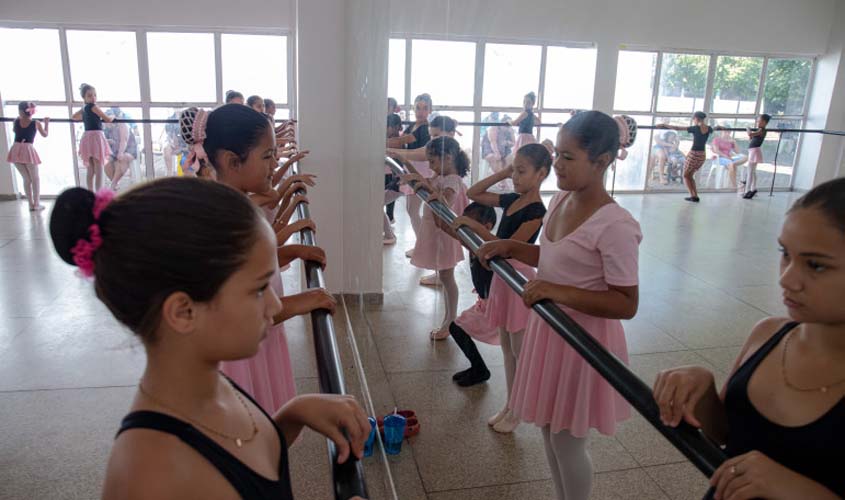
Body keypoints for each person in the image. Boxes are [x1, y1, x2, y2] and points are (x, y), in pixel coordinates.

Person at [48, 179, 369, 499]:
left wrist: (292, 415)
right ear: (184, 312)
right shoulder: (149, 478)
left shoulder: (207, 383)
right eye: (259, 289)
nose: (273, 304)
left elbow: (237, 465)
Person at [478, 111, 641, 500]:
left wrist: (557, 292)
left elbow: (626, 302)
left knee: (568, 442)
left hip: (581, 342)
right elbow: (552, 256)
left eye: (569, 157)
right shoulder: (561, 199)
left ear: (601, 162)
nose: (558, 165)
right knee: (551, 431)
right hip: (551, 330)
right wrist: (512, 247)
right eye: (559, 153)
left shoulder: (615, 224)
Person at [653, 177, 845, 499]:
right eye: (785, 254)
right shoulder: (768, 334)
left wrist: (792, 487)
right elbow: (726, 434)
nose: (787, 278)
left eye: (815, 265)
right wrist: (703, 393)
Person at [179, 104, 332, 412]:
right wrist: (304, 301)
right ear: (231, 161)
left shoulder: (235, 209)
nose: (275, 165)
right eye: (267, 157)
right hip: (239, 357)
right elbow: (242, 309)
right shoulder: (222, 222)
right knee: (253, 428)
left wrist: (294, 250)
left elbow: (252, 266)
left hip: (260, 342)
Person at [455, 143, 551, 433]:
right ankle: (511, 404)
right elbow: (474, 194)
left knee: (520, 353)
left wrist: (474, 227)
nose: (517, 177)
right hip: (502, 279)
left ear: (542, 174)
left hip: (517, 279)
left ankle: (519, 409)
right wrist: (504, 173)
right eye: (515, 170)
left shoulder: (537, 210)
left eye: (522, 171)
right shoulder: (512, 199)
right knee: (508, 350)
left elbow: (510, 249)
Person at [402, 136, 470, 340]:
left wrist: (432, 191)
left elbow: (446, 202)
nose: (430, 166)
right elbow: (426, 183)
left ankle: (450, 322)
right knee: (445, 276)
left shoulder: (453, 180)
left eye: (432, 161)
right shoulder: (441, 176)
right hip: (437, 233)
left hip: (444, 236)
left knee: (448, 278)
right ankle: (449, 320)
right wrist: (407, 166)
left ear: (448, 158)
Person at [448, 203, 497, 387]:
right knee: (457, 328)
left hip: (496, 306)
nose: (465, 228)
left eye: (471, 224)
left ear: (487, 227)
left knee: (457, 328)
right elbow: (445, 225)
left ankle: (480, 369)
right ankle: (479, 368)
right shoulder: (472, 244)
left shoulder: (490, 249)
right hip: (485, 302)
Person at [388, 93, 433, 259]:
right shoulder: (414, 125)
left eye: (424, 108)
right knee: (411, 210)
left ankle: (424, 247)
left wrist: (384, 145)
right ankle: (422, 245)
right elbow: (399, 139)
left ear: (430, 110)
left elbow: (402, 141)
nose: (420, 112)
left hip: (420, 170)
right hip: (412, 168)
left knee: (413, 211)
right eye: (418, 108)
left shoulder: (424, 128)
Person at [657, 111, 713, 202]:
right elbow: (714, 128)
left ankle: (693, 195)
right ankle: (694, 196)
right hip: (702, 155)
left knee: (686, 176)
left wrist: (664, 125)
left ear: (696, 119)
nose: (693, 120)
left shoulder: (695, 128)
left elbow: (677, 128)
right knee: (690, 175)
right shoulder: (708, 128)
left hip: (694, 154)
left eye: (693, 119)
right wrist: (720, 127)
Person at [7, 101, 49, 211]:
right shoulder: (35, 123)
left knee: (26, 179)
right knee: (35, 179)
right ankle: (36, 204)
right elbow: (45, 134)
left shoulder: (16, 121)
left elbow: (14, 130)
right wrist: (47, 123)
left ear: (20, 111)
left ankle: (30, 204)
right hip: (28, 150)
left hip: (16, 149)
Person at [72, 83, 114, 191]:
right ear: (84, 97)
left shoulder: (84, 108)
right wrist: (113, 116)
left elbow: (74, 117)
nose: (93, 98)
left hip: (87, 137)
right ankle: (98, 194)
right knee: (99, 167)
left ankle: (90, 193)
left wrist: (86, 118)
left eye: (95, 95)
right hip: (96, 137)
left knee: (90, 169)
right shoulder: (94, 107)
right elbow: (107, 119)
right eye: (90, 95)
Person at [103, 108, 138, 191]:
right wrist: (108, 141)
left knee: (122, 158)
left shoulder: (122, 124)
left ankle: (113, 184)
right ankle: (114, 182)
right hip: (113, 150)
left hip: (128, 148)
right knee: (106, 162)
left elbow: (124, 140)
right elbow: (102, 140)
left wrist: (120, 152)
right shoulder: (106, 127)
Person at [384, 113, 404, 244]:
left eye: (388, 126)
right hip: (397, 184)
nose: (386, 129)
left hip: (398, 184)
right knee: (377, 205)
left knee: (376, 205)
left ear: (396, 127)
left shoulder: (397, 143)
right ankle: (389, 234)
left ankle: (390, 235)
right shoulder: (396, 141)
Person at [743, 113, 770, 199]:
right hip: (753, 151)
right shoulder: (760, 130)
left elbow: (750, 135)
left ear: (765, 122)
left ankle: (747, 191)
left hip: (754, 151)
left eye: (760, 120)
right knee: (752, 171)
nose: (758, 122)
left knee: (750, 171)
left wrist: (747, 129)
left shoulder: (761, 130)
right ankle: (753, 188)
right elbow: (752, 138)